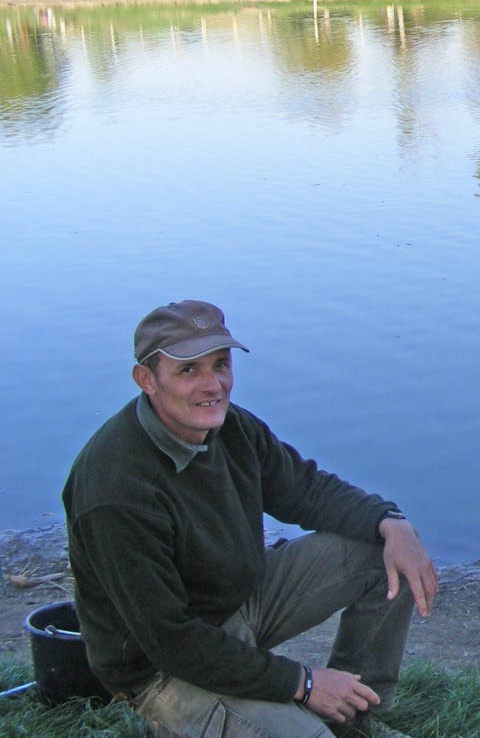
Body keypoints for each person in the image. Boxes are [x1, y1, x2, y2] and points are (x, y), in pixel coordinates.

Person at [63, 300, 438, 738]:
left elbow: (307, 490)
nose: (213, 385)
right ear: (146, 380)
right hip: (165, 668)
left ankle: (353, 714)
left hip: (237, 603)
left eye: (220, 365)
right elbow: (171, 641)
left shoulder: (231, 427)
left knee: (385, 553)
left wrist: (391, 522)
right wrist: (304, 683)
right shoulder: (115, 491)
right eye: (188, 371)